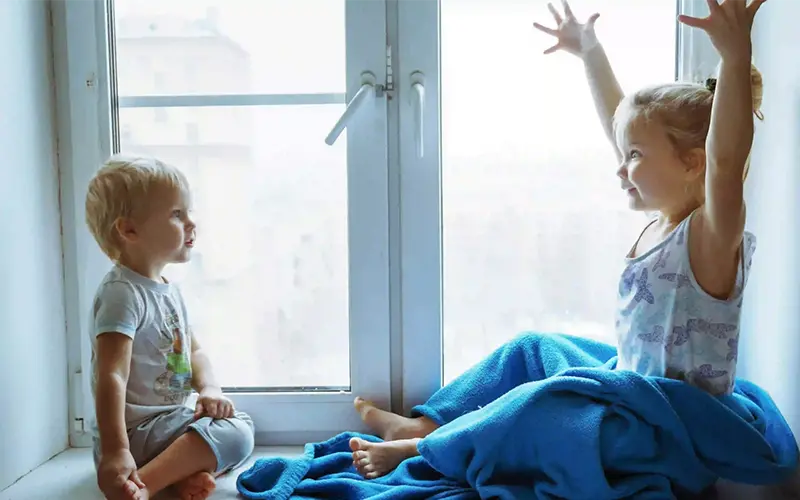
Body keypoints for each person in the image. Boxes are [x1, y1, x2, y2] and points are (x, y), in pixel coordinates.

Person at [349, 0, 767, 479]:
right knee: (531, 348)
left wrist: (734, 56)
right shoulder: (664, 220)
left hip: (663, 433)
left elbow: (728, 161)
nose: (620, 165)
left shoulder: (711, 239)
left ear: (695, 164)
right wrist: (590, 51)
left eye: (633, 155)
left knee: (542, 403)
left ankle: (423, 449)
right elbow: (622, 121)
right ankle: (419, 425)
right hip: (632, 394)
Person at [85, 155, 255, 500]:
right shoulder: (122, 293)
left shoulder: (167, 290)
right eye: (177, 214)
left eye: (188, 212)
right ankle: (140, 484)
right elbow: (111, 375)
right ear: (129, 229)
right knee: (238, 433)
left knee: (240, 422)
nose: (191, 223)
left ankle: (175, 477)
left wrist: (209, 389)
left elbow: (195, 351)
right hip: (134, 435)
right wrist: (117, 451)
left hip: (166, 428)